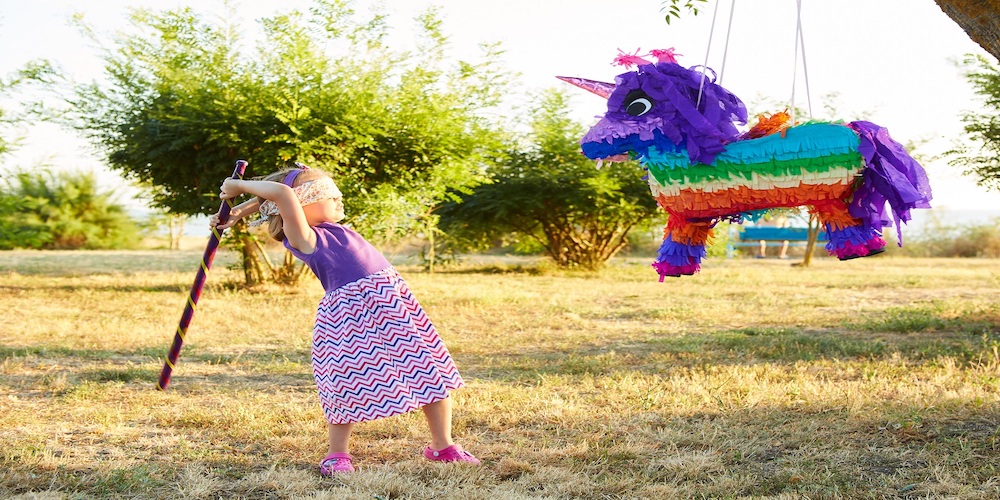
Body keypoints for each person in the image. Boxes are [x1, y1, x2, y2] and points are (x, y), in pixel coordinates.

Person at [210, 164, 479, 475]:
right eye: (328, 195)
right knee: (345, 385)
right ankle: (337, 455)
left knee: (428, 371)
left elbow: (279, 195)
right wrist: (236, 185)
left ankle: (442, 446)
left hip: (393, 308)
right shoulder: (304, 237)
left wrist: (237, 212)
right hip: (350, 319)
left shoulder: (331, 228)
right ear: (301, 205)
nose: (339, 200)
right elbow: (283, 194)